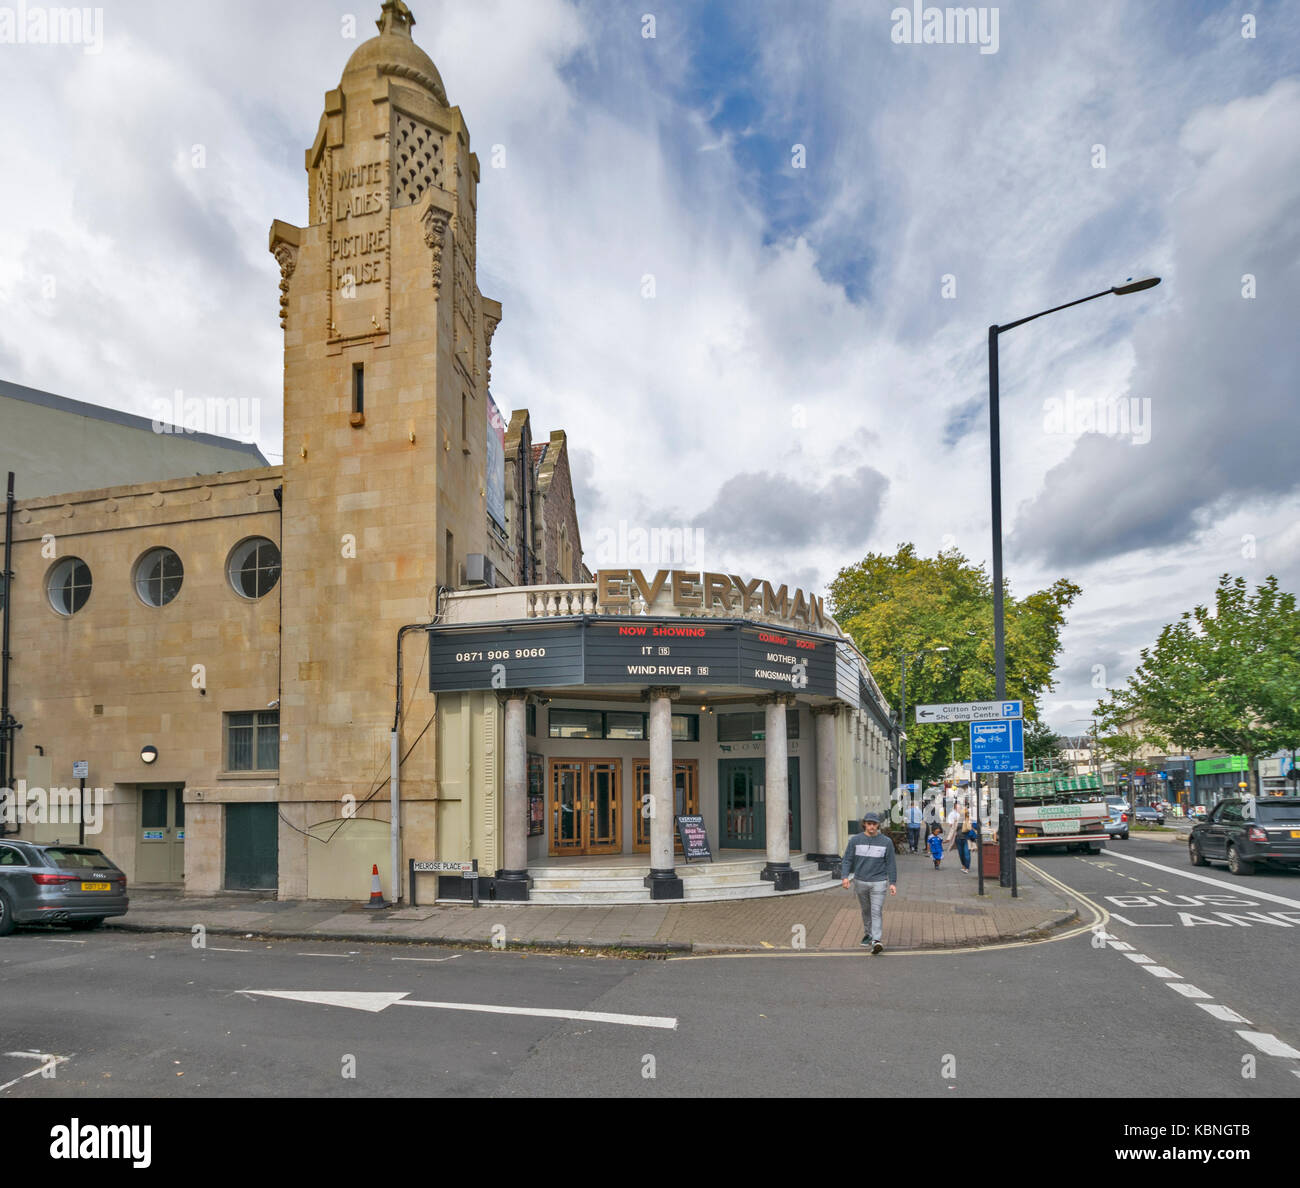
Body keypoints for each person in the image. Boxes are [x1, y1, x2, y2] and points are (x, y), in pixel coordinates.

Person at [840, 813, 898, 955]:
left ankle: (876, 940)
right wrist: (845, 877)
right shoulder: (855, 840)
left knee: (876, 911)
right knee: (866, 910)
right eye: (869, 823)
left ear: (878, 825)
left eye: (874, 824)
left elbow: (891, 863)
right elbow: (847, 859)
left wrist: (892, 882)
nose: (872, 826)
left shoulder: (886, 842)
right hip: (860, 881)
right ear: (864, 824)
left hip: (879, 882)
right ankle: (868, 934)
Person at [952, 800, 973, 873]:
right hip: (958, 839)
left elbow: (971, 828)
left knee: (966, 853)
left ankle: (967, 868)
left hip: (966, 839)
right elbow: (953, 829)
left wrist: (967, 819)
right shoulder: (957, 819)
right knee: (961, 854)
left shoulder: (968, 819)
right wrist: (948, 839)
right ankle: (963, 865)